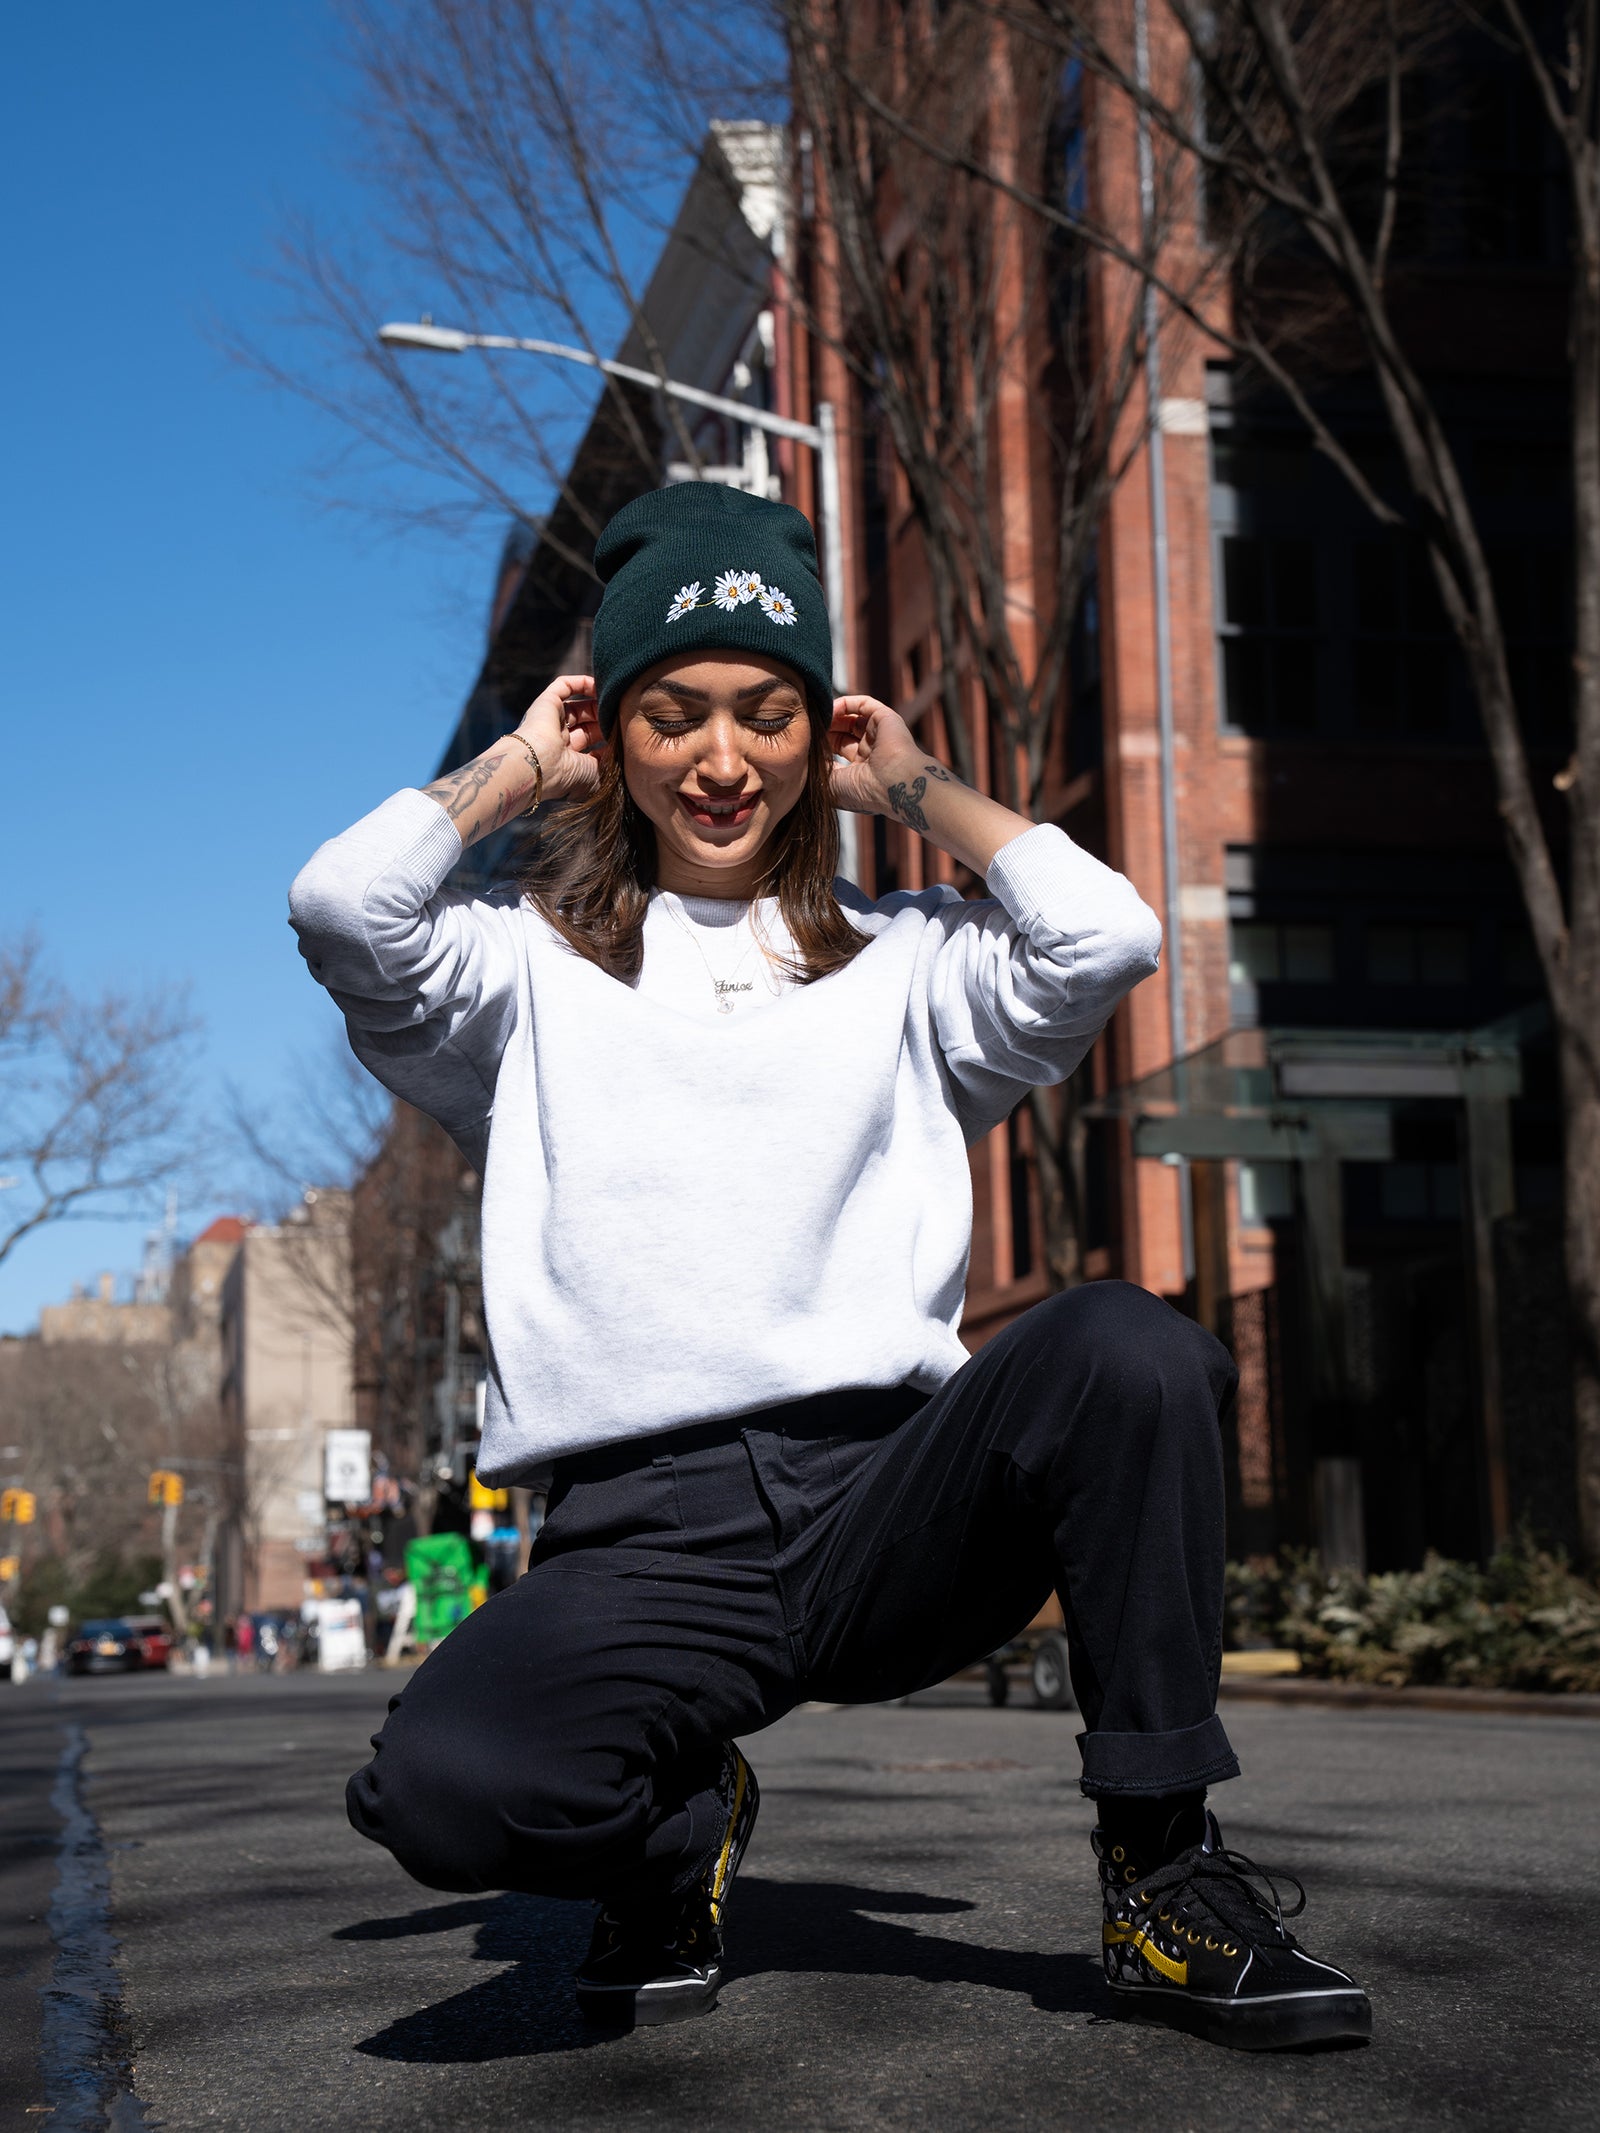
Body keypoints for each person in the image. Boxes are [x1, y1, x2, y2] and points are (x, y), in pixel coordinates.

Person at [290, 481, 1369, 2051]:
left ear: (818, 731)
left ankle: (1163, 1874)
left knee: (1128, 1348)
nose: (723, 758)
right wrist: (522, 759)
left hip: (891, 1500)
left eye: (766, 712)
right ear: (616, 727)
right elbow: (343, 904)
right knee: (443, 1792)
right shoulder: (516, 970)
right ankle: (676, 1826)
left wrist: (920, 782)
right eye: (674, 712)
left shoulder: (912, 958)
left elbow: (1111, 935)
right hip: (646, 1540)